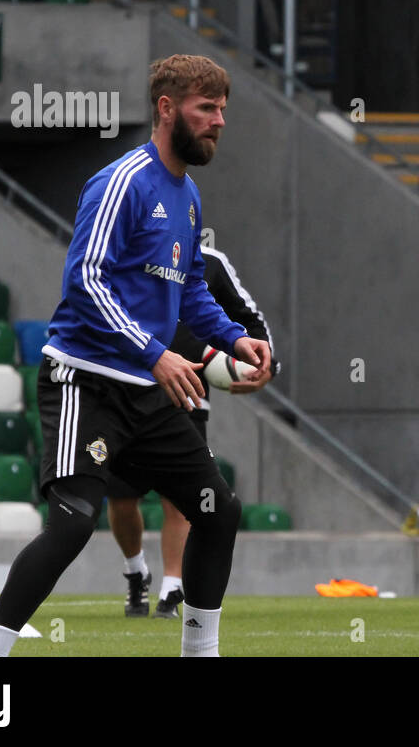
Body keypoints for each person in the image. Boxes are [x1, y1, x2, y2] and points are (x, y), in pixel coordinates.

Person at [0, 54, 272, 657]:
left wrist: (234, 338)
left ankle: (199, 651)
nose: (218, 122)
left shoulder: (188, 197)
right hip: (86, 382)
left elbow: (187, 288)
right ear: (167, 109)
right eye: (206, 108)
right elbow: (85, 279)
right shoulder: (121, 181)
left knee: (218, 511)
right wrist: (155, 351)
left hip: (149, 389)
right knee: (74, 521)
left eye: (222, 110)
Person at [110, 244, 280, 619]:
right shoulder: (128, 249)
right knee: (122, 500)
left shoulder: (210, 261)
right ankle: (136, 570)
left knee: (183, 499)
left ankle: (173, 587)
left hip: (186, 396)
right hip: (125, 392)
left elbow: (248, 317)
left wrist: (267, 363)